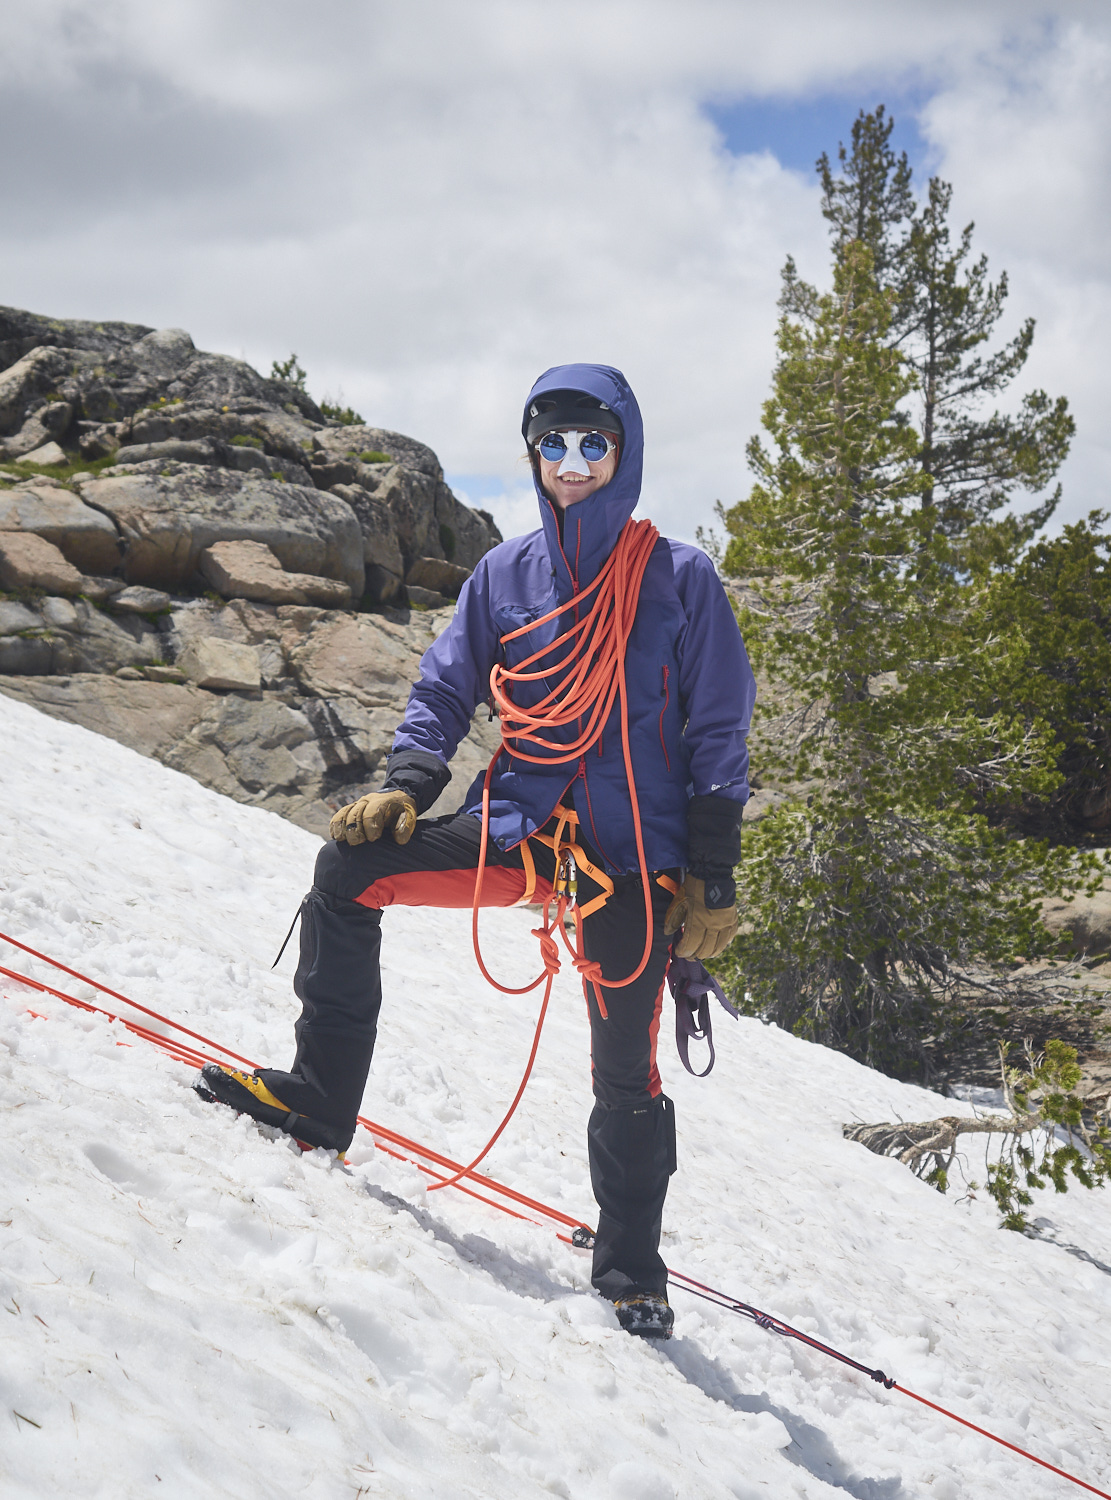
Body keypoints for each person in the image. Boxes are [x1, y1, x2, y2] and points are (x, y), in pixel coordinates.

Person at [199, 363, 756, 1340]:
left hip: (631, 864)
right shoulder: (505, 576)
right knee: (345, 876)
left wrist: (711, 876)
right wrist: (406, 790)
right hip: (520, 830)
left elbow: (717, 734)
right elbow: (446, 690)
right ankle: (319, 1103)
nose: (573, 464)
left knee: (625, 1066)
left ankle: (631, 1269)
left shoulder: (680, 579)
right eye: (555, 446)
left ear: (622, 451)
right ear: (534, 456)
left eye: (594, 445)